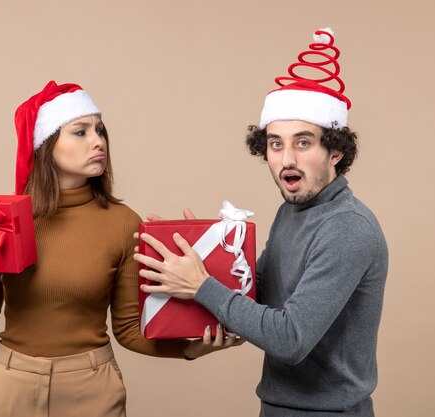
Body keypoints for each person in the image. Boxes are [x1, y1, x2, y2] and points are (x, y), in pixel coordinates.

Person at [0, 80, 239, 417]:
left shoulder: (122, 222)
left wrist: (191, 350)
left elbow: (128, 329)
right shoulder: (0, 219)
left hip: (92, 388)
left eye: (100, 130)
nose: (98, 141)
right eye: (80, 132)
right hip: (11, 388)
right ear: (46, 145)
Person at [135, 28, 389, 416]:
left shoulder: (347, 227)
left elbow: (290, 338)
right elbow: (255, 296)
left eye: (303, 142)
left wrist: (202, 285)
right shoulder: (293, 211)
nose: (287, 158)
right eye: (275, 143)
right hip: (278, 406)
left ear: (335, 150)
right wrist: (209, 248)